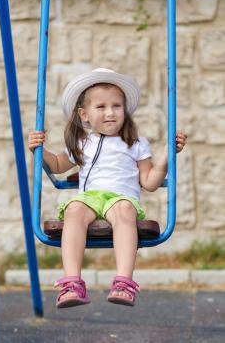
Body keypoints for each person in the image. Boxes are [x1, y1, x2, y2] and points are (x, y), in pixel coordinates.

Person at [28, 68, 187, 308]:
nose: (110, 113)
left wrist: (166, 157)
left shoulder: (136, 144)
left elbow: (150, 183)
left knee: (124, 210)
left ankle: (124, 282)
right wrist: (39, 150)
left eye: (116, 106)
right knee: (73, 210)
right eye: (101, 107)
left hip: (122, 198)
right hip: (90, 198)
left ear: (125, 110)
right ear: (85, 114)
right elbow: (59, 165)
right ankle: (72, 282)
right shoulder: (82, 143)